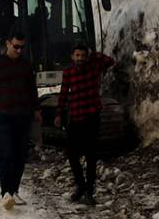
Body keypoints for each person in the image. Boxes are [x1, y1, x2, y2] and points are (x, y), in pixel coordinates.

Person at [0, 31, 41, 210]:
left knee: (20, 156)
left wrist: (37, 109)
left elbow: (32, 89)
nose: (19, 50)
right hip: (4, 116)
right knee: (7, 155)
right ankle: (5, 193)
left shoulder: (26, 65)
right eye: (16, 46)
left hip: (23, 116)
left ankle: (14, 190)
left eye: (22, 48)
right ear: (8, 44)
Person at [54, 42, 115, 206]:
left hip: (91, 118)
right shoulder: (68, 73)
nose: (80, 58)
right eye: (77, 55)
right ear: (72, 57)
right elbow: (63, 94)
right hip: (75, 118)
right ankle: (80, 186)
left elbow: (109, 61)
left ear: (86, 56)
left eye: (82, 55)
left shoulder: (94, 68)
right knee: (72, 155)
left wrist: (92, 54)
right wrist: (59, 113)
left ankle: (89, 190)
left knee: (90, 156)